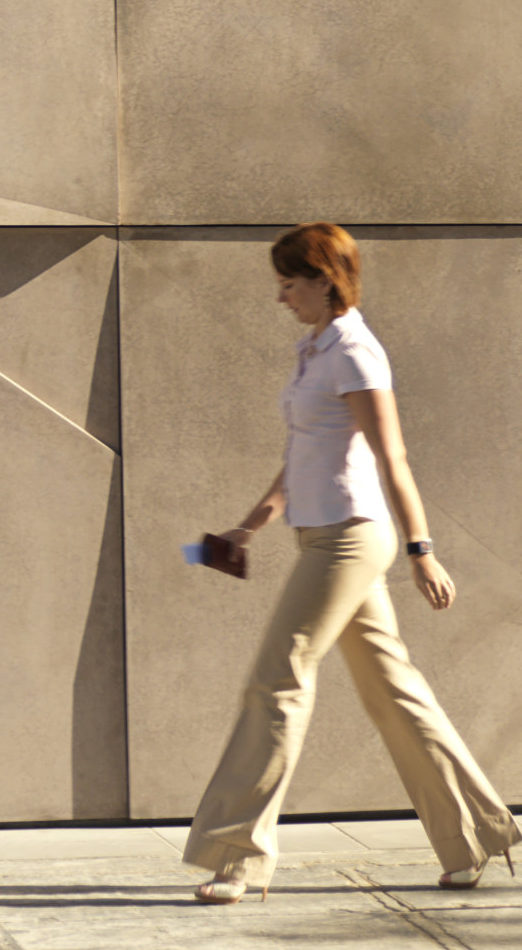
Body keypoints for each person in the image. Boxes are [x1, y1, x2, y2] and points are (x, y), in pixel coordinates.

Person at [185, 224, 516, 903]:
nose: (279, 295)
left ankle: (241, 855)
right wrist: (248, 527)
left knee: (277, 678)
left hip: (351, 538)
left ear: (326, 280)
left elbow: (391, 456)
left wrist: (422, 549)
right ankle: (475, 836)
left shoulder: (358, 353)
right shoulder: (313, 350)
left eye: (289, 281)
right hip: (318, 536)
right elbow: (302, 455)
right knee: (392, 687)